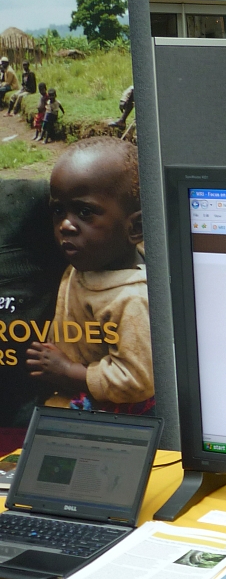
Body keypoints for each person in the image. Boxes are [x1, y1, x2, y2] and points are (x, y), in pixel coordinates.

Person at [25, 137, 154, 413]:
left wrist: (68, 372)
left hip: (105, 415)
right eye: (58, 210)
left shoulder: (132, 299)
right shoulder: (92, 259)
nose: (66, 225)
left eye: (85, 212)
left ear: (136, 228)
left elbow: (137, 380)